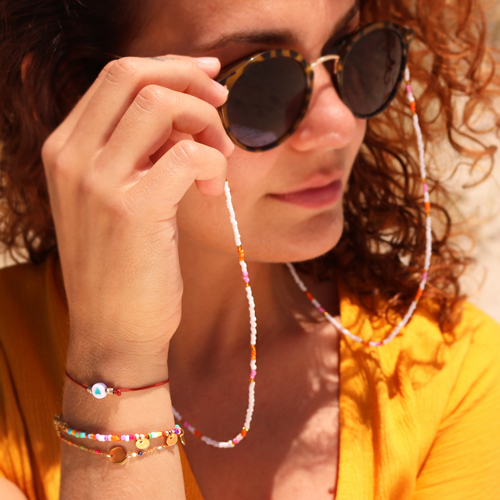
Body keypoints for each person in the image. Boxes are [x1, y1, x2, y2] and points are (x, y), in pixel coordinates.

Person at [0, 0, 499, 498]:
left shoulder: (452, 374)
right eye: (261, 82)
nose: (338, 124)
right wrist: (115, 363)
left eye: (356, 51)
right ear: (71, 93)